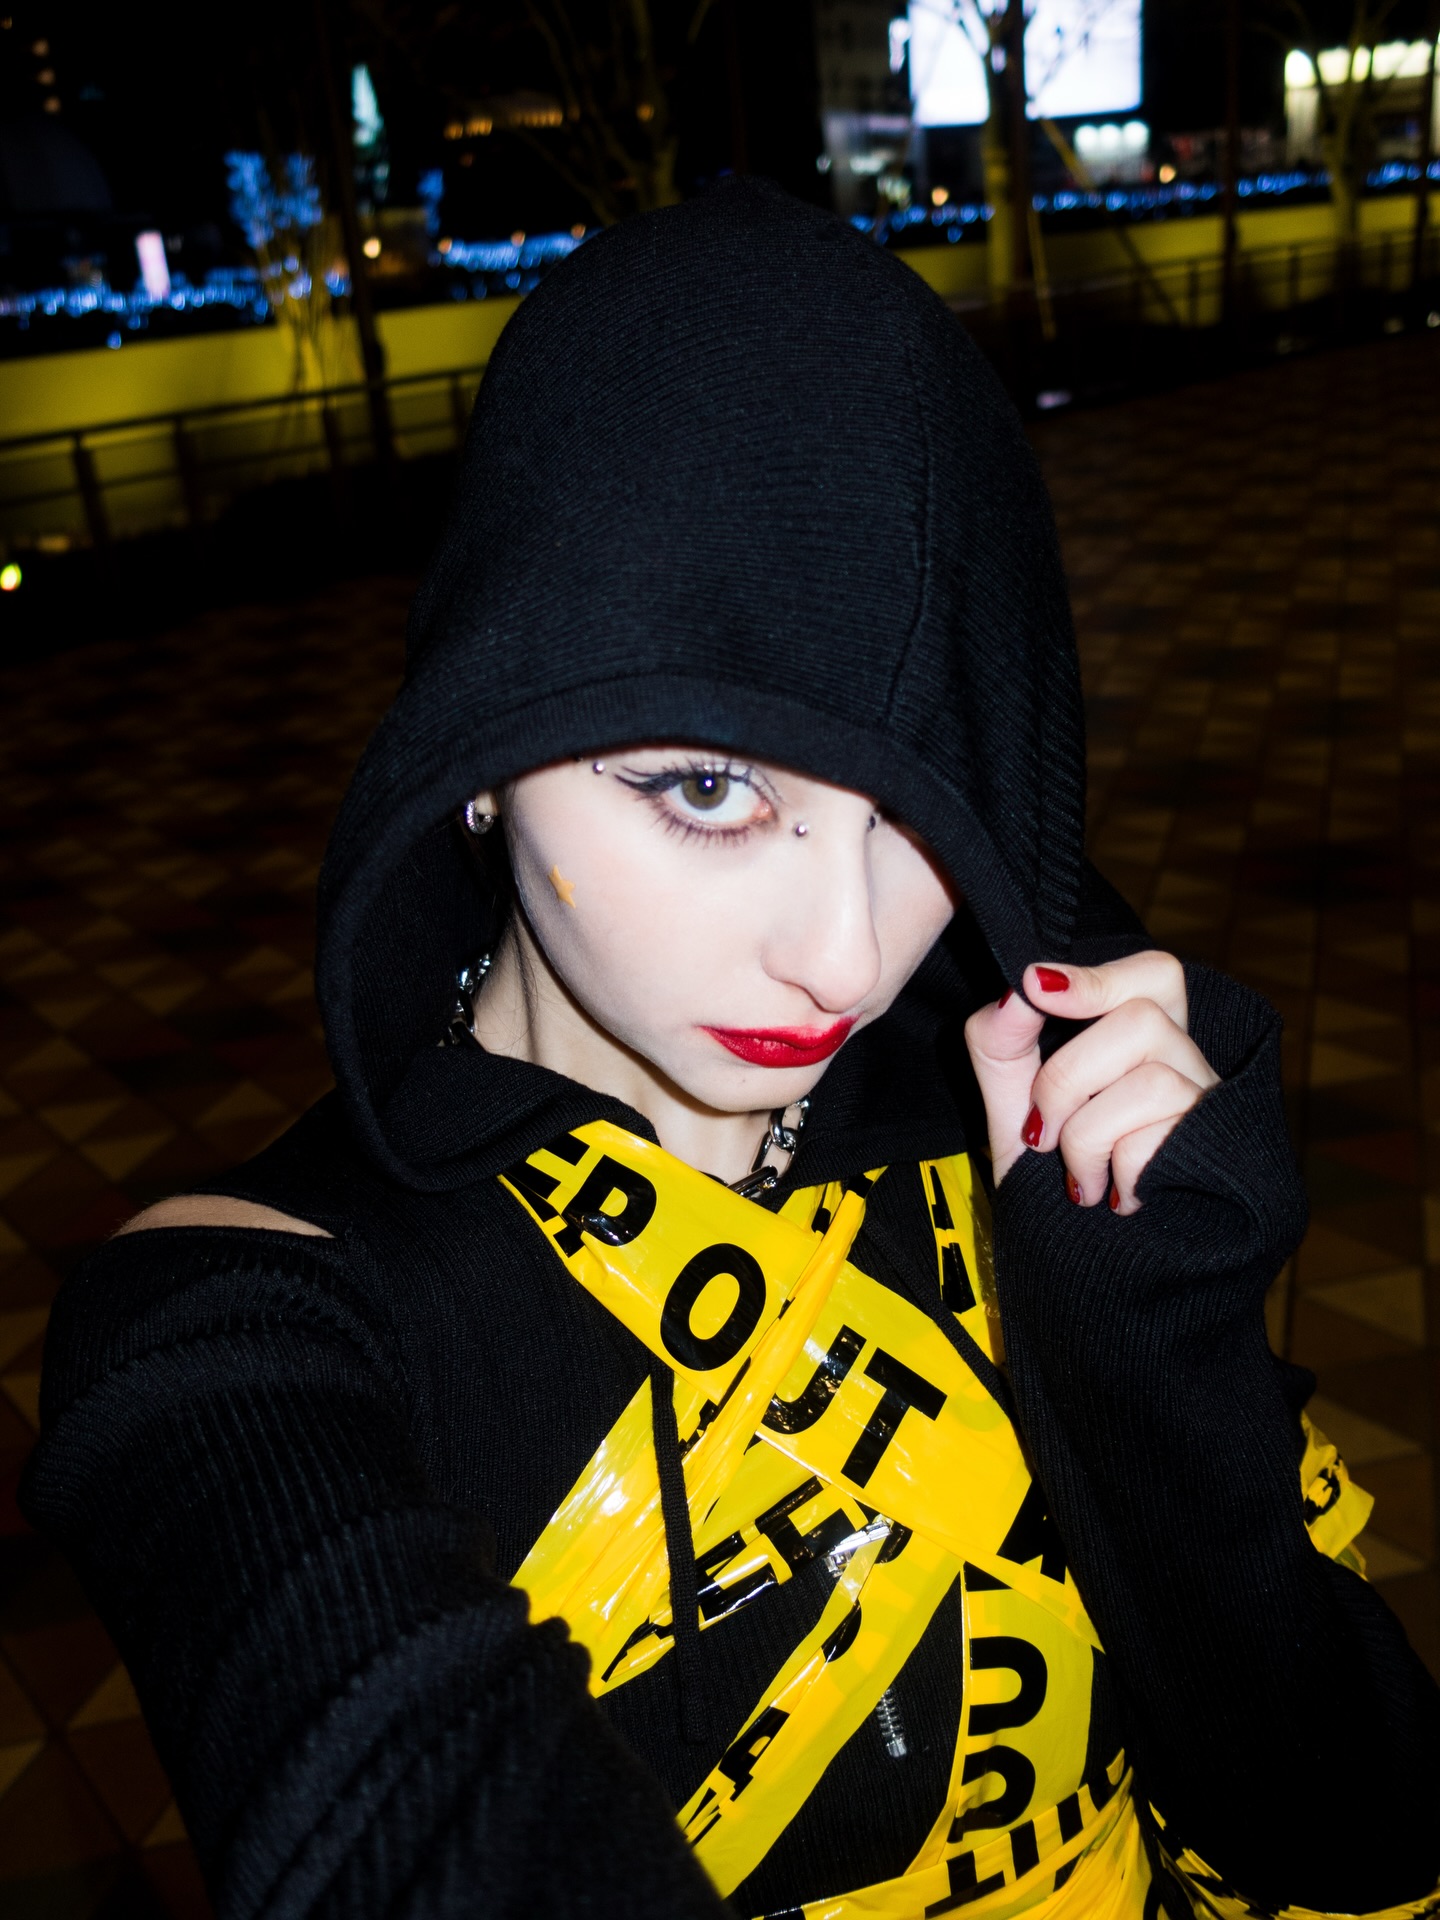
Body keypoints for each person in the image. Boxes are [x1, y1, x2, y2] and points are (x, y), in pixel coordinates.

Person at [20, 180, 1440, 1920]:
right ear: (483, 749)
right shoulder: (255, 1317)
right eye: (707, 790)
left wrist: (1151, 1357)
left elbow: (1350, 1824)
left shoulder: (1031, 1100)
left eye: (920, 808)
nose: (843, 952)